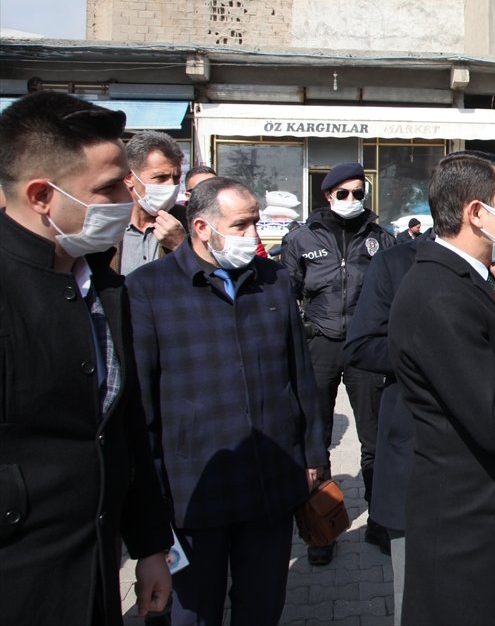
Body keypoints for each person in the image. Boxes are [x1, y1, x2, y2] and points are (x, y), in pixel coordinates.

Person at [0, 91, 173, 625]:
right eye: (107, 188)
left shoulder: (103, 284)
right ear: (41, 196)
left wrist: (148, 546)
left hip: (96, 574)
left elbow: (123, 426)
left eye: (128, 180)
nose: (131, 194)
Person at [126, 177, 328, 624]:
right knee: (192, 612)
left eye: (255, 222)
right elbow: (142, 405)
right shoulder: (148, 289)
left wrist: (313, 453)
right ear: (201, 227)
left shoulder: (272, 280)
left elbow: (300, 374)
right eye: (241, 225)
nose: (253, 234)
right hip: (195, 492)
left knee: (261, 606)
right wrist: (151, 500)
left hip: (270, 481)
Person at [344, 150, 495, 620]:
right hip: (419, 450)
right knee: (420, 602)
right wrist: (428, 355)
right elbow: (360, 346)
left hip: (477, 472)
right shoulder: (400, 266)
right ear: (473, 210)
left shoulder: (491, 272)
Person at [389, 151, 495, 625]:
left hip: (489, 517)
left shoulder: (465, 279)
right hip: (468, 535)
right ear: (477, 213)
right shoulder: (440, 295)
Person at [281, 162, 397, 563]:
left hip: (366, 347)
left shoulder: (382, 237)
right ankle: (321, 529)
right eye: (343, 193)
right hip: (321, 344)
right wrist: (301, 333)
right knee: (317, 436)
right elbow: (287, 291)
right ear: (328, 195)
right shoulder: (300, 238)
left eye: (358, 193)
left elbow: (393, 291)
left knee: (375, 437)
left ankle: (381, 519)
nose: (351, 201)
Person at [114, 130, 187, 274]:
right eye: (160, 177)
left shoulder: (188, 221)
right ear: (129, 178)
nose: (171, 185)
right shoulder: (108, 224)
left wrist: (181, 245)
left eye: (176, 178)